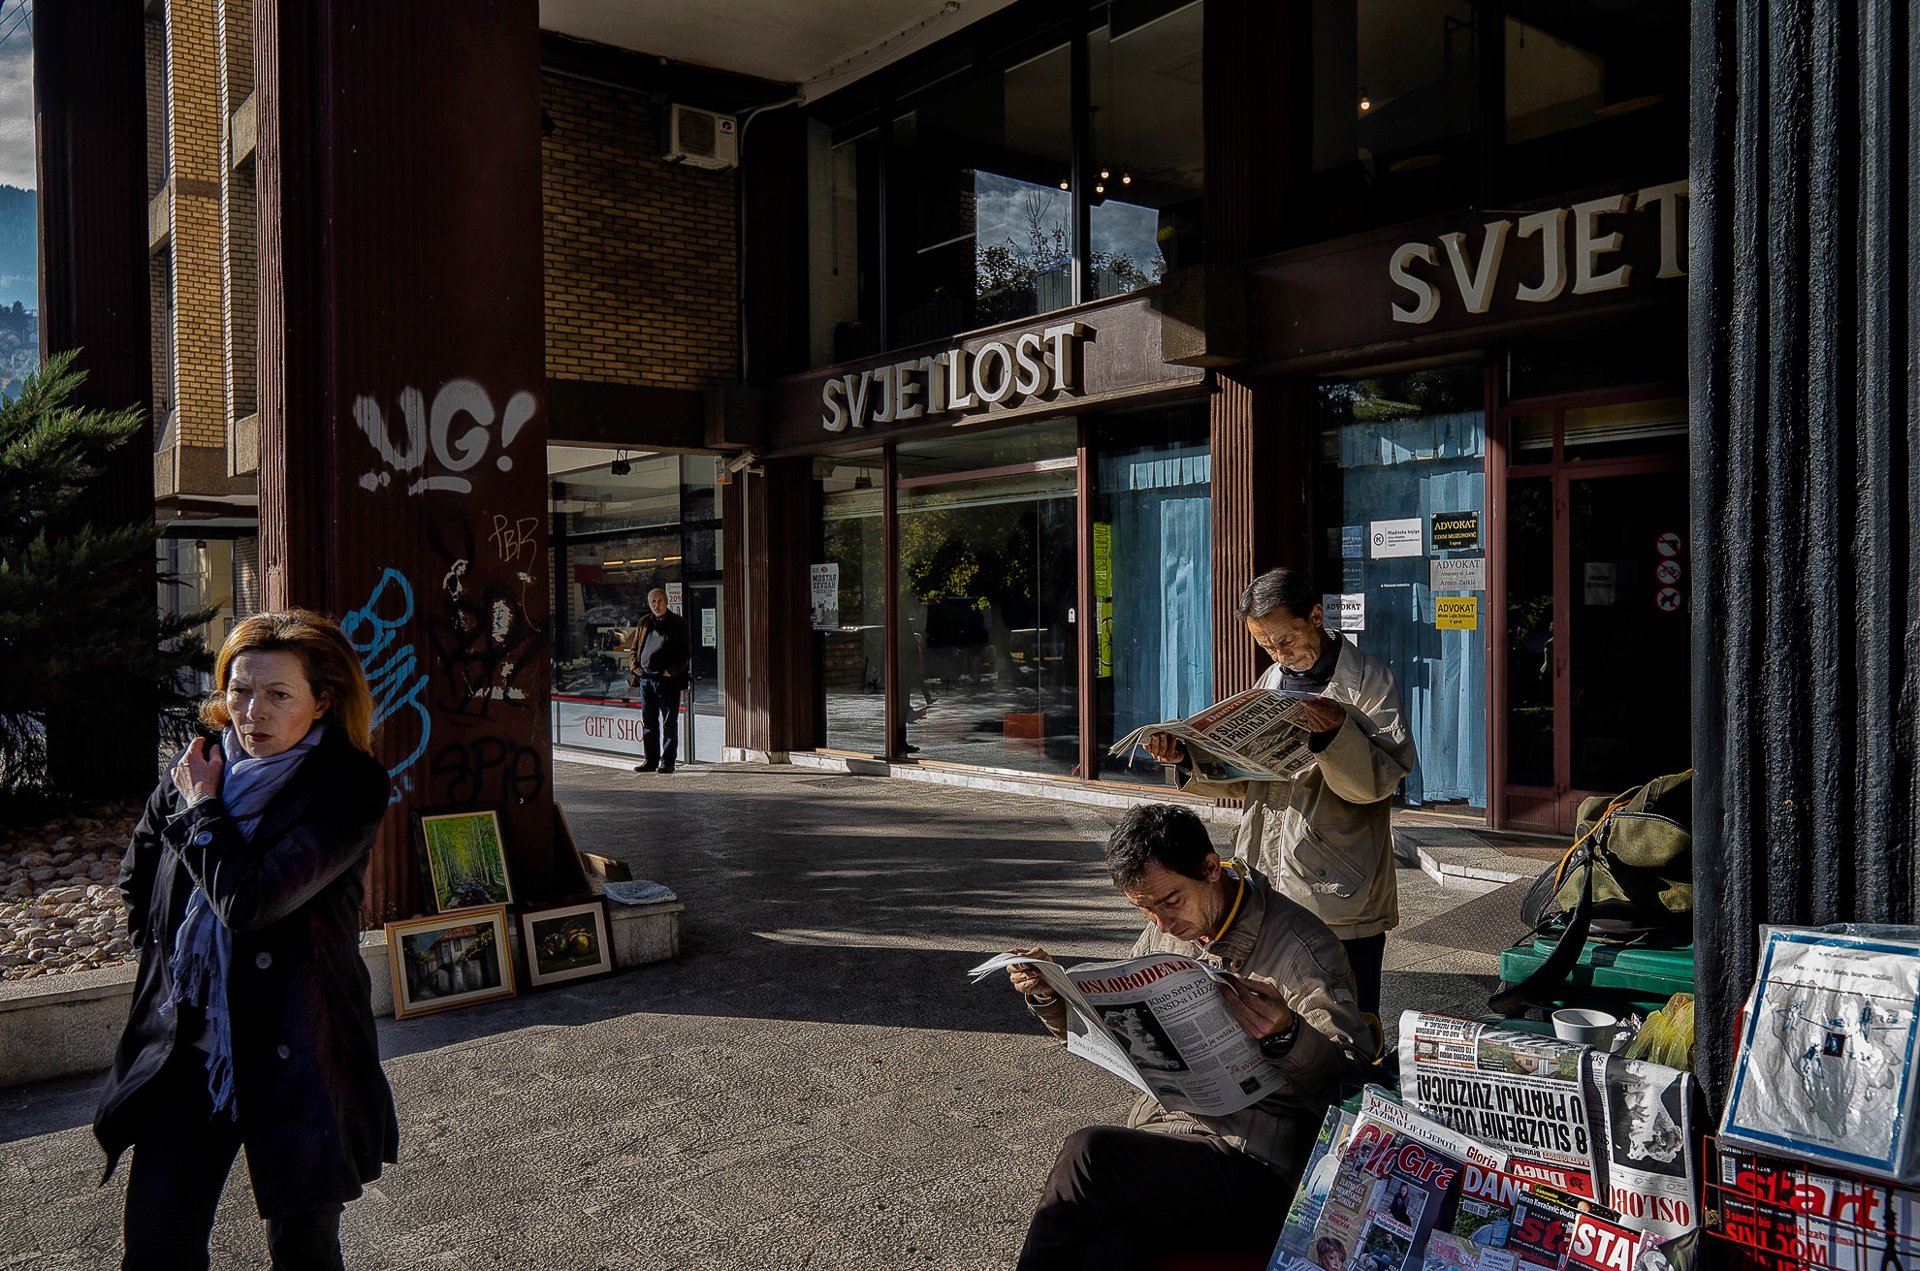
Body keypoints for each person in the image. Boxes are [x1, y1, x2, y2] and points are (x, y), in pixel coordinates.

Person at [92, 610, 399, 1270]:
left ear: (323, 701)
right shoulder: (198, 764)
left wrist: (205, 812)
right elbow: (140, 868)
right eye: (239, 689)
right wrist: (169, 968)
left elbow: (250, 902)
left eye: (277, 694)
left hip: (298, 1045)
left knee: (304, 1249)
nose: (250, 711)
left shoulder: (348, 787)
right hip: (192, 1045)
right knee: (154, 1243)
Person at [1005, 804, 1372, 1270]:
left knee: (1090, 1153)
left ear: (1210, 868)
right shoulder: (1165, 933)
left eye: (1170, 902)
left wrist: (1287, 1035)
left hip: (1253, 1162)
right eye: (1145, 909)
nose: (1160, 923)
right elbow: (1109, 1035)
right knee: (1097, 1252)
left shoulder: (1303, 945)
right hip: (1168, 1143)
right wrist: (1052, 996)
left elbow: (1354, 1079)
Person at [1146, 567, 1414, 1017]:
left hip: (1339, 881)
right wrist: (1186, 759)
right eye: (1266, 645)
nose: (1279, 654)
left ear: (1315, 616)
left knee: (1345, 1017)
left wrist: (1336, 735)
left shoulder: (1370, 681)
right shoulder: (1270, 682)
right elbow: (1248, 773)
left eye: (1285, 640)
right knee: (1270, 1016)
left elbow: (1378, 785)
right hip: (1266, 869)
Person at [626, 586, 693, 774]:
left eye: (659, 601)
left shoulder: (678, 623)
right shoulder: (644, 622)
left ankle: (668, 762)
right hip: (646, 680)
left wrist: (671, 672)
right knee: (649, 722)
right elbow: (634, 649)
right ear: (649, 604)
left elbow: (686, 653)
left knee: (669, 722)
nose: (656, 605)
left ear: (666, 601)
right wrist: (634, 667)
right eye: (653, 602)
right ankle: (650, 760)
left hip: (667, 681)